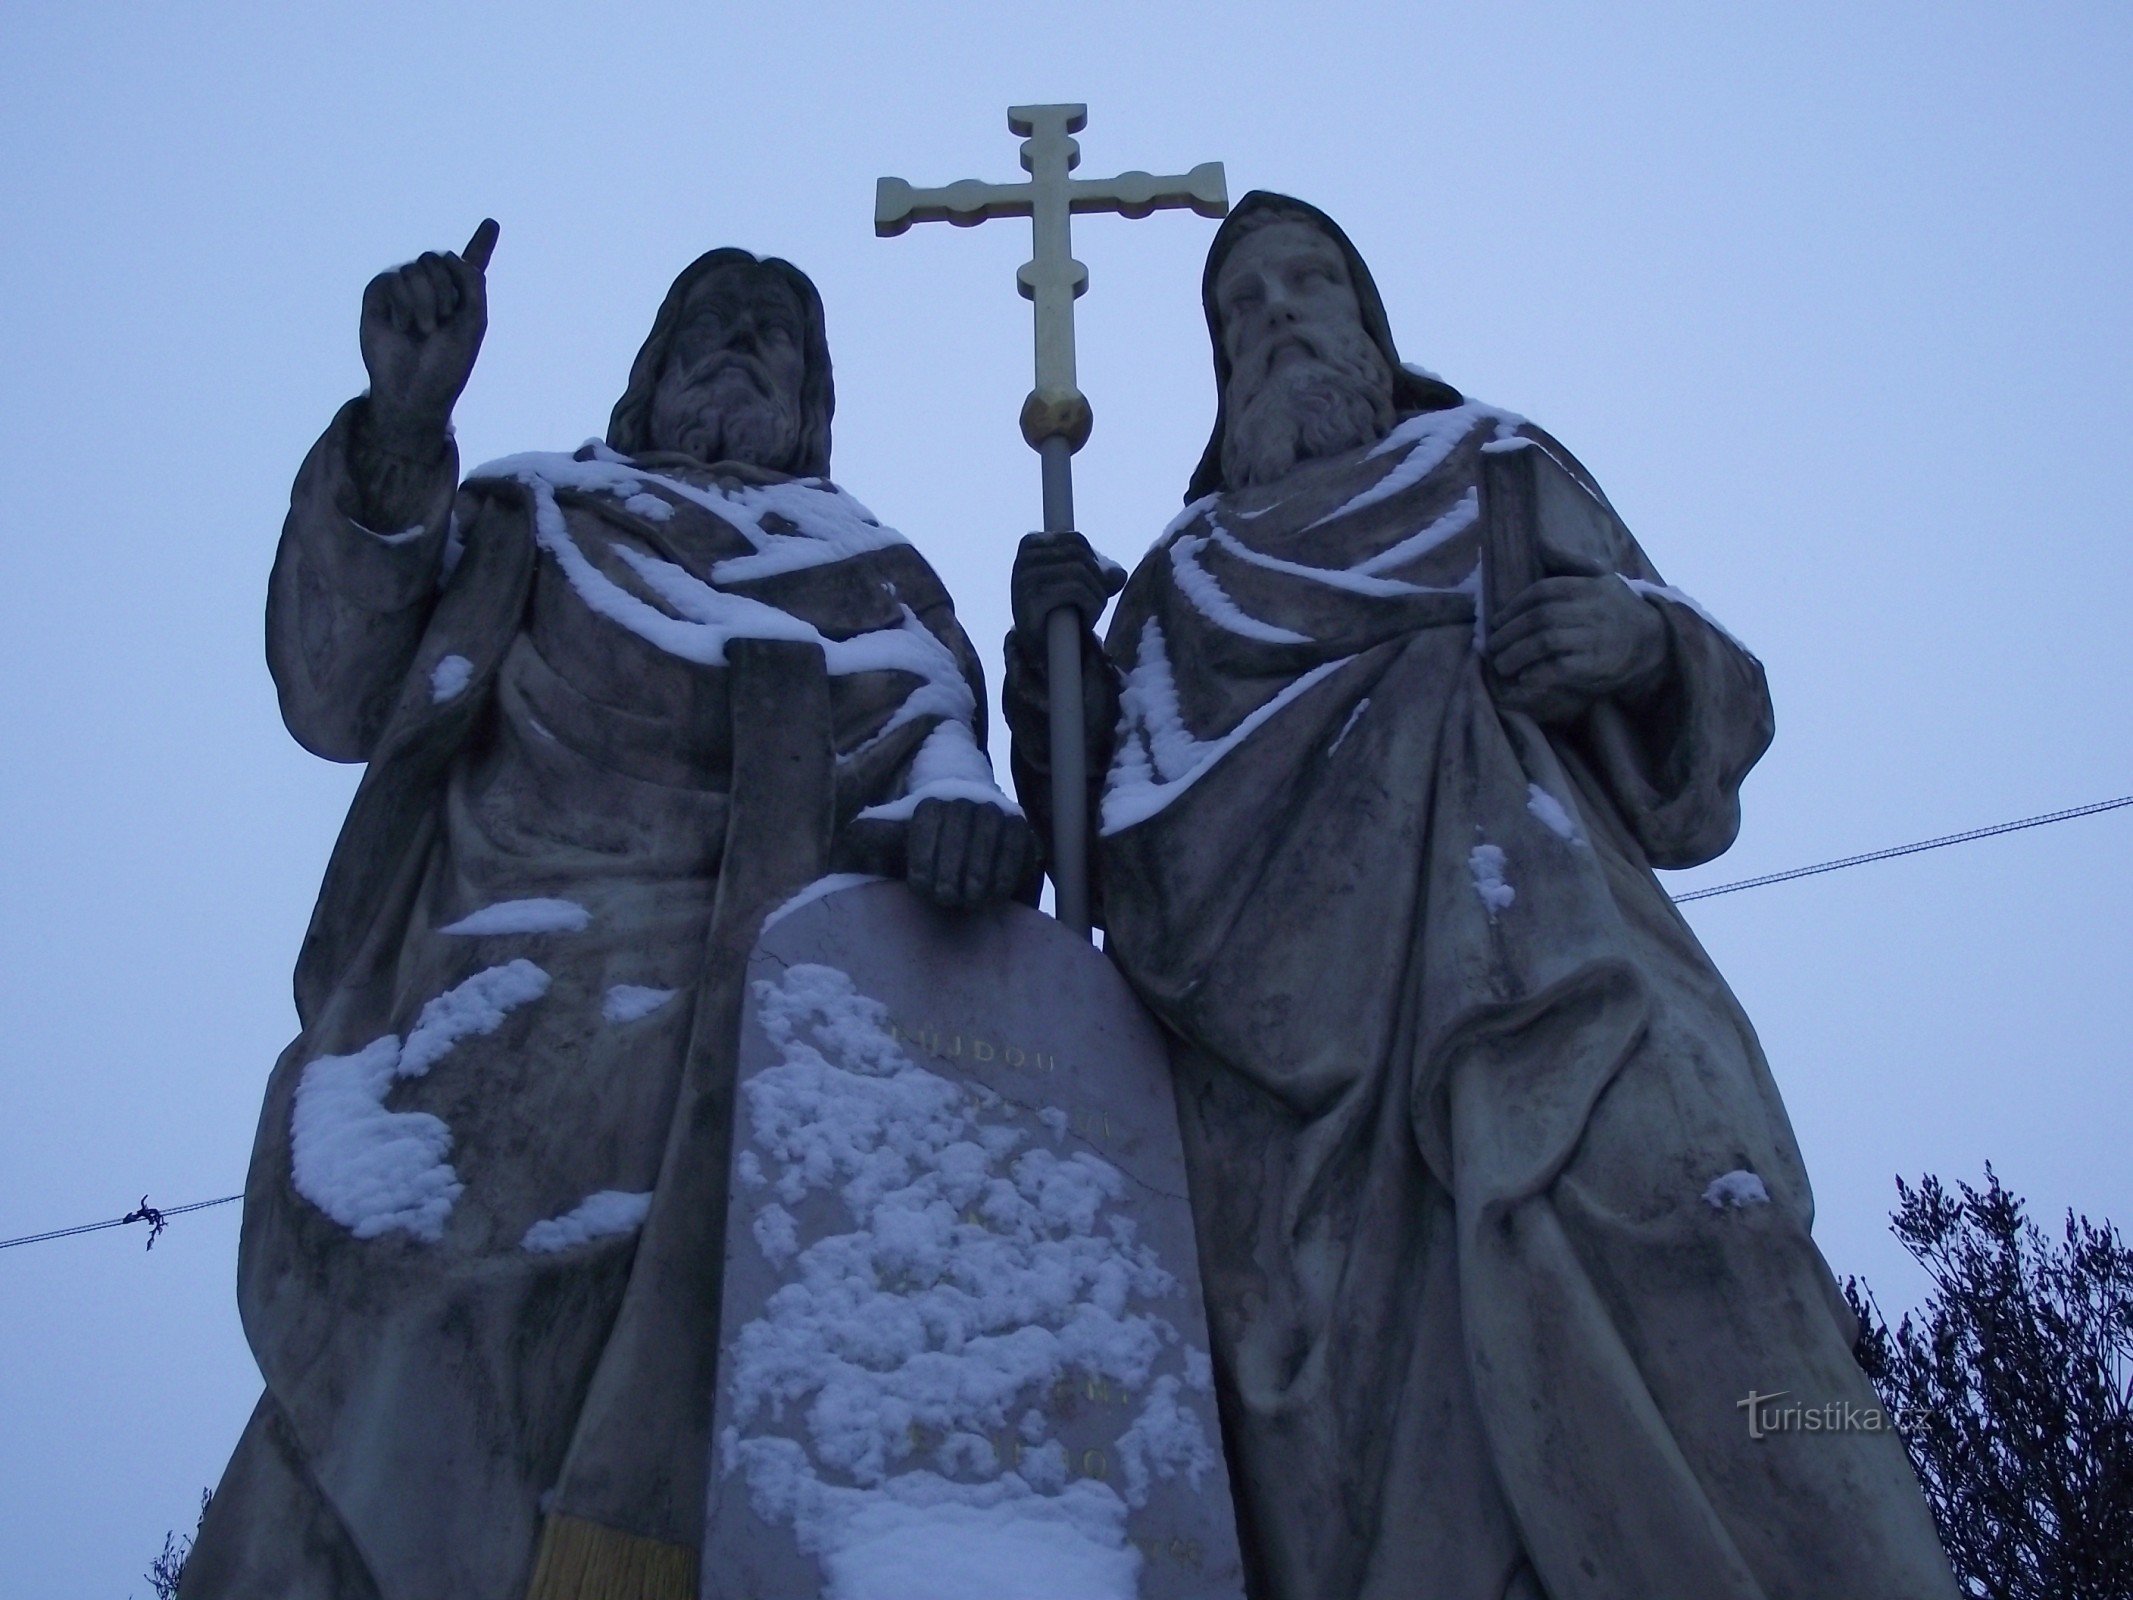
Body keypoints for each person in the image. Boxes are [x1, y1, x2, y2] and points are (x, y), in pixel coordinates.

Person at [1006, 191, 1957, 1600]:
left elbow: (1708, 704)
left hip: (1567, 971)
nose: (1273, 315)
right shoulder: (1180, 584)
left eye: (1306, 282)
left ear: (1371, 327)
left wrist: (1636, 644)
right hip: (1294, 1118)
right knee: (1374, 1447)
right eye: (1238, 309)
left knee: (1710, 1250)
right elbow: (1112, 859)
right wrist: (1056, 683)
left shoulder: (1490, 468)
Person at [184, 222, 1030, 1600]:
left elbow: (939, 758)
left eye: (778, 328)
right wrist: (402, 431)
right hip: (479, 1038)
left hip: (749, 1075)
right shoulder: (528, 517)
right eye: (713, 317)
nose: (746, 338)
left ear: (815, 406)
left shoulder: (877, 580)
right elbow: (333, 692)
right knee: (386, 1410)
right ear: (642, 379)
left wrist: (963, 818)